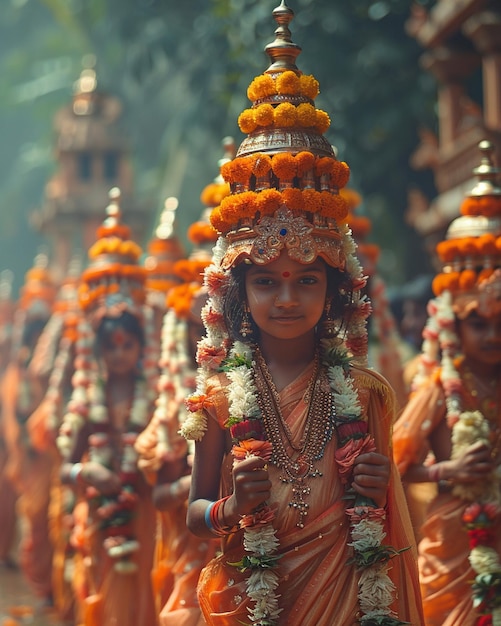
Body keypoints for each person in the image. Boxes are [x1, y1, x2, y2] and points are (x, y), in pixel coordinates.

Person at [182, 4, 423, 625]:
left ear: (334, 287)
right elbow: (193, 511)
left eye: (305, 280)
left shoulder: (366, 395)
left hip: (347, 588)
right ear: (239, 291)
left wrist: (375, 483)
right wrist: (230, 512)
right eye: (266, 281)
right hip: (257, 595)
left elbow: (387, 517)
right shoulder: (216, 400)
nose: (286, 299)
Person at [393, 140, 501, 626]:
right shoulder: (438, 386)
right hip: (456, 543)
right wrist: (450, 470)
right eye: (479, 323)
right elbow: (396, 469)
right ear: (455, 324)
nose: (493, 334)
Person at [135, 139, 233, 626]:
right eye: (201, 325)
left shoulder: (269, 379)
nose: (210, 334)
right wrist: (208, 495)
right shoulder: (175, 396)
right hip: (197, 553)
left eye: (218, 320)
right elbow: (159, 495)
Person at [57, 188, 158, 626]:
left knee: (143, 600)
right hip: (98, 515)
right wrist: (87, 473)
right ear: (98, 350)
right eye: (111, 346)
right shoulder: (85, 399)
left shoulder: (154, 399)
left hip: (145, 514)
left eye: (128, 345)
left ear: (140, 348)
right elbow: (63, 467)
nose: (119, 354)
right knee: (101, 601)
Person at [1, 254, 57, 607]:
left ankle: (48, 586)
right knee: (32, 515)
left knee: (46, 519)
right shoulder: (18, 366)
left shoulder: (54, 357)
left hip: (47, 453)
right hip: (28, 452)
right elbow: (15, 410)